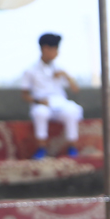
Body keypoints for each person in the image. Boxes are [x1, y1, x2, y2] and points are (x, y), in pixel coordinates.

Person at [20, 32, 82, 160]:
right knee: (40, 113)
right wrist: (39, 101)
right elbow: (25, 95)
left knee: (72, 112)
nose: (57, 53)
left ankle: (72, 148)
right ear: (45, 49)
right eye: (55, 49)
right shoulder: (31, 70)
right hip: (42, 103)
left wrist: (65, 75)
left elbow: (76, 89)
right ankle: (41, 148)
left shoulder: (60, 68)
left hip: (60, 104)